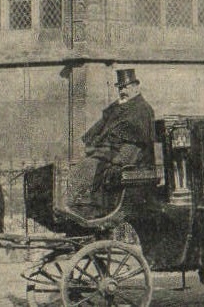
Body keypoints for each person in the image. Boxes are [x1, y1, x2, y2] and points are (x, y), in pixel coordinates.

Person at [65, 68, 156, 220]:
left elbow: (135, 144)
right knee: (83, 165)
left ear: (136, 87)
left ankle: (93, 210)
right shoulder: (122, 107)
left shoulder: (141, 109)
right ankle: (78, 208)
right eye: (120, 88)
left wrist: (116, 161)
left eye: (126, 87)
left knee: (88, 167)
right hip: (112, 151)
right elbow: (103, 126)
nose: (122, 91)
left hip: (129, 157)